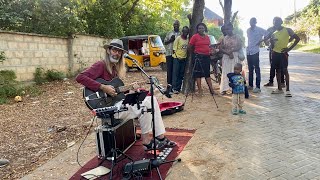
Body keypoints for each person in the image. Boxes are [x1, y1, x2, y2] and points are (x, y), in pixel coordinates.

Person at [76, 39, 176, 151]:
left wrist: (130, 90)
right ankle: (149, 141)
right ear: (108, 51)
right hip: (107, 108)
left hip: (116, 104)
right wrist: (103, 87)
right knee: (145, 105)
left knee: (150, 100)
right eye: (114, 50)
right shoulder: (101, 65)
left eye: (119, 52)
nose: (117, 53)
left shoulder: (115, 69)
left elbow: (116, 92)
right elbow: (80, 77)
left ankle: (158, 138)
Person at [263, 17, 300, 97]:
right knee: (278, 71)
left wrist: (289, 48)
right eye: (274, 22)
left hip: (283, 54)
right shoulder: (273, 33)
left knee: (285, 71)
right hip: (275, 53)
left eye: (277, 22)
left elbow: (297, 38)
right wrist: (271, 42)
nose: (275, 24)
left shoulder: (288, 30)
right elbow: (271, 45)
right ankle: (279, 89)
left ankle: (287, 90)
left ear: (281, 22)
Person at [188, 23, 215, 95]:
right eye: (199, 28)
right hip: (198, 57)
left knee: (207, 73)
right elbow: (190, 46)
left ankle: (211, 90)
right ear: (197, 29)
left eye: (202, 28)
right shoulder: (195, 37)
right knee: (198, 74)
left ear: (205, 29)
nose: (201, 29)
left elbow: (209, 46)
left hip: (206, 57)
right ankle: (200, 90)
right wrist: (194, 54)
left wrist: (211, 51)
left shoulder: (207, 37)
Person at [219, 23, 244, 95]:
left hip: (235, 57)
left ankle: (235, 88)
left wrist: (231, 51)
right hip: (226, 57)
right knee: (225, 73)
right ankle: (224, 89)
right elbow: (221, 48)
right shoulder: (224, 38)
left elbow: (239, 46)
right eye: (226, 29)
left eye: (228, 29)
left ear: (232, 28)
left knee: (235, 72)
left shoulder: (237, 37)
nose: (227, 31)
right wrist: (228, 53)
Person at [246, 17, 268, 93]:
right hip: (248, 51)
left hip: (255, 51)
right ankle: (251, 85)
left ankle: (258, 86)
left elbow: (268, 34)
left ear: (255, 22)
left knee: (257, 69)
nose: (251, 23)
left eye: (253, 22)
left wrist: (261, 41)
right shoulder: (248, 30)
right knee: (250, 69)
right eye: (250, 22)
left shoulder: (259, 29)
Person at [172, 26, 189, 94]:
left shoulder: (188, 39)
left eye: (187, 32)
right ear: (182, 31)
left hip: (184, 59)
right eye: (184, 31)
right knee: (175, 74)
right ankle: (174, 88)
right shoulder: (178, 38)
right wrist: (177, 57)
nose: (185, 33)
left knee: (181, 74)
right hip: (177, 58)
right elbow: (174, 50)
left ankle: (178, 88)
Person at [164, 20, 181, 86]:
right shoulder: (169, 33)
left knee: (176, 70)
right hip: (169, 53)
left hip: (178, 54)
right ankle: (169, 84)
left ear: (179, 25)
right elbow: (165, 42)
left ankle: (175, 84)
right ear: (173, 25)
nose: (176, 26)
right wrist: (170, 40)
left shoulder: (181, 34)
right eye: (175, 24)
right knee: (169, 69)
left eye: (177, 24)